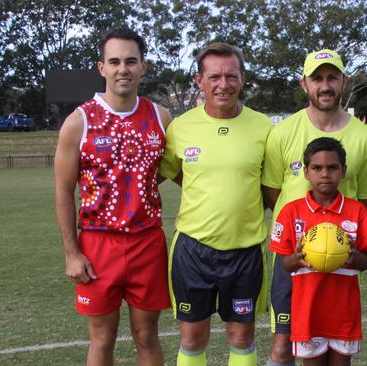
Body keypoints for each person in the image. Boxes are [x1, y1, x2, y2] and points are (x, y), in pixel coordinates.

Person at [54, 28, 172, 365]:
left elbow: (173, 170)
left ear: (143, 67)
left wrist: (136, 187)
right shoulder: (79, 122)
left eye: (131, 61)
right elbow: (63, 190)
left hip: (147, 243)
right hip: (98, 245)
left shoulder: (160, 117)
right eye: (115, 61)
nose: (124, 68)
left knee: (147, 337)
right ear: (101, 67)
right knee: (102, 339)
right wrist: (71, 253)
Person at [262, 49, 367, 366]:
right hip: (293, 256)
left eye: (332, 77)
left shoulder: (364, 138)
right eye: (317, 78)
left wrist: (332, 238)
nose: (325, 85)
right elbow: (273, 192)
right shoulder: (282, 133)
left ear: (343, 82)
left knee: (335, 349)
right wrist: (304, 225)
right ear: (304, 84)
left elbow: (366, 199)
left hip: (339, 260)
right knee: (281, 347)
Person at [159, 42, 272, 366]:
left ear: (243, 78)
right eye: (214, 77)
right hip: (193, 250)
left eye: (231, 76)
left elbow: (271, 186)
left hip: (246, 250)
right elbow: (168, 174)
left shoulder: (262, 126)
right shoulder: (180, 128)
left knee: (242, 338)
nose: (223, 84)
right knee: (192, 338)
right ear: (199, 80)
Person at [269, 137, 367, 366]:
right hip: (308, 312)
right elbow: (284, 264)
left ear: (343, 171)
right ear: (307, 173)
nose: (325, 174)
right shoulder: (292, 212)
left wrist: (352, 254)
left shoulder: (356, 211)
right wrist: (296, 258)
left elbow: (365, 261)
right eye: (317, 168)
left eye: (332, 168)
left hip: (343, 312)